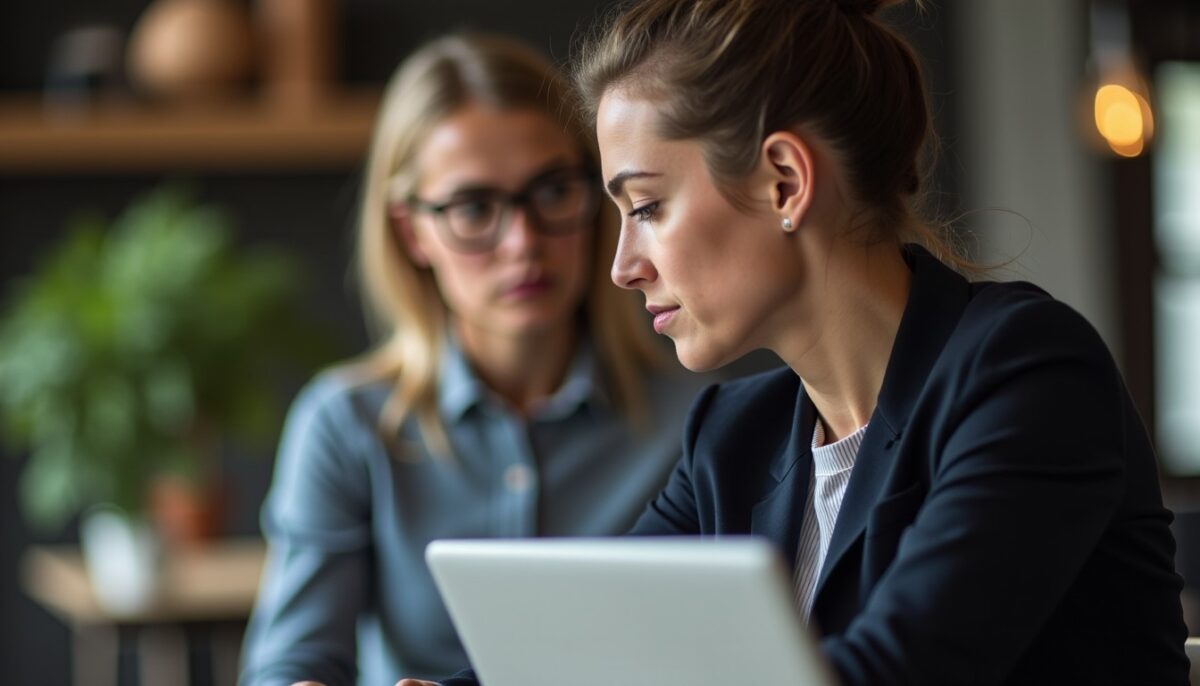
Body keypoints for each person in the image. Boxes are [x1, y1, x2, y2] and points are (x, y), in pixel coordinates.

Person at [399, 1, 1191, 685]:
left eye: (645, 207)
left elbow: (899, 670)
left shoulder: (1028, 373)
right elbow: (584, 651)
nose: (621, 268)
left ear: (784, 179)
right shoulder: (732, 438)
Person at [239, 32, 708, 686]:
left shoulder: (697, 421)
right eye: (474, 208)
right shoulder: (348, 425)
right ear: (411, 232)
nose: (523, 243)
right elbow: (289, 664)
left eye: (552, 192)